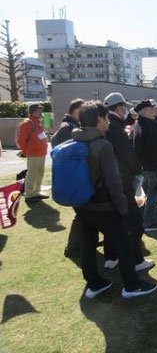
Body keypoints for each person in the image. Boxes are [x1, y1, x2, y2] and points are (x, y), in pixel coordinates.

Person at [72, 101, 157, 299]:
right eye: (106, 118)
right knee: (125, 243)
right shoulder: (103, 145)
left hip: (83, 203)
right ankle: (131, 285)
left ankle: (94, 283)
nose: (109, 122)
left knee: (88, 243)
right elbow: (113, 181)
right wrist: (123, 207)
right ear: (99, 119)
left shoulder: (75, 140)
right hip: (104, 203)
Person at [103, 93, 154, 272]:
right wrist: (137, 171)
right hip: (122, 180)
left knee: (113, 220)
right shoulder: (116, 127)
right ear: (119, 108)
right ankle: (136, 259)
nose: (126, 110)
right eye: (124, 107)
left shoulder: (104, 125)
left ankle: (111, 256)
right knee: (133, 222)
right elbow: (127, 154)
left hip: (107, 181)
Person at [51, 98, 85, 258]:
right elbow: (67, 153)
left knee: (82, 214)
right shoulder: (67, 128)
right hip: (72, 177)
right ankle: (72, 248)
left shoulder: (70, 126)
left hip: (72, 176)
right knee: (81, 214)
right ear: (75, 111)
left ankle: (78, 244)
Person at [133, 99, 157, 231]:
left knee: (144, 196)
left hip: (145, 167)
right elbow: (153, 149)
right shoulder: (148, 126)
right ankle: (149, 222)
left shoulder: (141, 124)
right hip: (151, 168)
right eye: (152, 109)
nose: (155, 111)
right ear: (145, 111)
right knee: (153, 195)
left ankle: (143, 220)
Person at [18, 103, 49, 204]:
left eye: (40, 110)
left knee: (39, 173)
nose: (40, 112)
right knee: (32, 174)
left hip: (41, 152)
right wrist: (26, 151)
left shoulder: (38, 122)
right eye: (38, 110)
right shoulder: (27, 123)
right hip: (33, 153)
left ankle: (36, 192)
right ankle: (29, 195)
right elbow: (21, 140)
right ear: (32, 112)